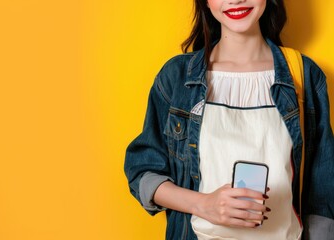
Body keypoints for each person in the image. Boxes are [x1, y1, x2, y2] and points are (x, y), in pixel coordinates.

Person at [124, 0, 334, 239]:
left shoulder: (305, 76)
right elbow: (143, 171)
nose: (235, 0)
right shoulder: (176, 78)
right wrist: (203, 204)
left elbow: (323, 197)